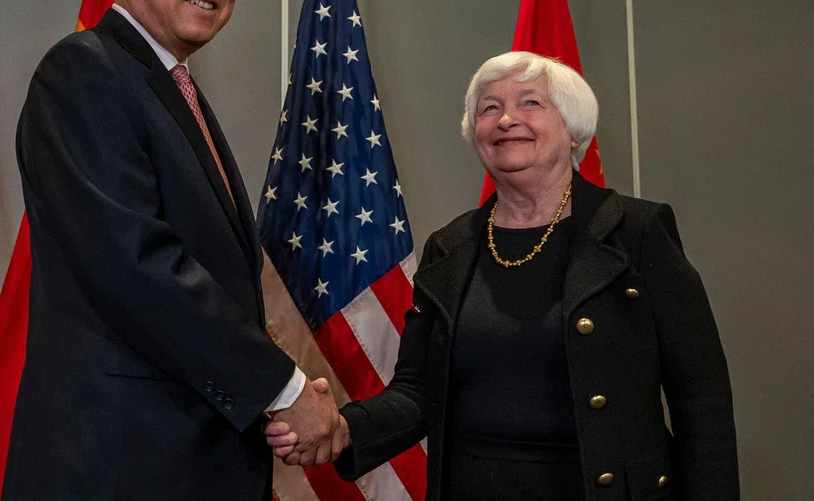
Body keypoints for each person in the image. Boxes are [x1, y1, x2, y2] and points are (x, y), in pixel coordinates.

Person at [266, 51, 739, 500]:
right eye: (489, 108)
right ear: (475, 133)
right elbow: (418, 390)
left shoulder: (637, 232)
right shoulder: (450, 247)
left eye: (530, 103)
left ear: (574, 129)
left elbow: (702, 400)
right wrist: (345, 428)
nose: (507, 119)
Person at [2, 0, 339, 501]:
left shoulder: (170, 87)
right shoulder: (84, 71)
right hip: (117, 466)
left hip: (179, 465)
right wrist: (283, 389)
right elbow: (135, 265)